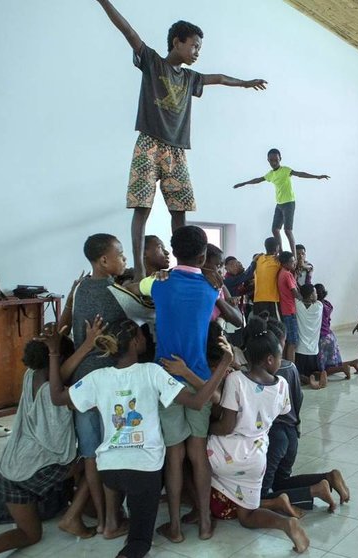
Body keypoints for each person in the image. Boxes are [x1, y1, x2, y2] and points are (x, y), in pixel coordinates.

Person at [93, 0, 267, 280]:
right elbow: (128, 31)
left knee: (179, 210)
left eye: (199, 47)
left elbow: (220, 77)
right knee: (142, 207)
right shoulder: (152, 62)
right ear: (177, 42)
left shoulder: (189, 78)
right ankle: (138, 270)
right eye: (194, 45)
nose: (197, 52)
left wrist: (244, 83)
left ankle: (183, 267)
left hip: (176, 149)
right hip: (150, 142)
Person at [47, 319, 232, 558]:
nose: (147, 338)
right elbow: (198, 403)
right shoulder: (151, 372)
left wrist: (54, 352)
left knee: (128, 491)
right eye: (142, 336)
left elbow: (57, 397)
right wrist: (224, 364)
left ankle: (113, 522)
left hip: (109, 472)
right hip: (144, 472)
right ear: (135, 342)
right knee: (139, 542)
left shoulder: (97, 377)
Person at [0, 334, 88, 558]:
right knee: (91, 464)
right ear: (57, 362)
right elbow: (60, 374)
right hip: (34, 469)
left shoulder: (30, 375)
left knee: (23, 504)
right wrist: (87, 345)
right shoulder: (57, 395)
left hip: (9, 467)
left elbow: (59, 370)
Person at [137, 225, 220, 542]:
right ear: (203, 255)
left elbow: (136, 285)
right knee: (198, 456)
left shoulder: (159, 284)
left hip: (165, 381)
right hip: (199, 379)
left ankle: (173, 527)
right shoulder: (211, 287)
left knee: (174, 457)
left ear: (173, 253)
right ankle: (205, 524)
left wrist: (159, 272)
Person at [205, 316, 310, 553]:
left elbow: (227, 426)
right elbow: (283, 410)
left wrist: (208, 430)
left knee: (194, 459)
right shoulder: (281, 383)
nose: (281, 359)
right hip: (257, 456)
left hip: (227, 454)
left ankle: (200, 516)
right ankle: (285, 523)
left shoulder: (235, 380)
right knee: (247, 515)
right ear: (270, 359)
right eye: (280, 355)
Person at [69, 233, 149, 537]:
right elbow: (145, 313)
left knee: (90, 453)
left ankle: (102, 520)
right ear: (104, 260)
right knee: (110, 451)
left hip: (81, 383)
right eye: (121, 254)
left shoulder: (82, 288)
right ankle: (113, 520)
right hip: (104, 384)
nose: (125, 259)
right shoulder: (112, 291)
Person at [262, 317, 351, 511]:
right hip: (292, 433)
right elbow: (299, 398)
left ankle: (315, 490)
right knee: (281, 481)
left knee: (262, 495)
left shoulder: (258, 373)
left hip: (273, 437)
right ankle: (327, 478)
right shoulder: (291, 367)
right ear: (282, 342)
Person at [233, 149, 329, 252]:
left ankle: (294, 256)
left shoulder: (285, 170)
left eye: (276, 160)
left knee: (287, 230)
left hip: (289, 203)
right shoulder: (270, 174)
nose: (274, 163)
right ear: (268, 160)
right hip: (279, 204)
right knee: (275, 230)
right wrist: (244, 183)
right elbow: (258, 180)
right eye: (271, 160)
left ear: (280, 159)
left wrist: (317, 177)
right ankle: (281, 253)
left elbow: (300, 174)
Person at [315, 284, 358, 378]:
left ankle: (343, 368)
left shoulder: (317, 307)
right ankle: (353, 363)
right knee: (332, 363)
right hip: (330, 335)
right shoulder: (327, 304)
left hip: (322, 338)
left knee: (323, 370)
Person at [295, 284, 326, 389]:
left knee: (299, 373)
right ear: (311, 296)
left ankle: (307, 380)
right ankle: (316, 376)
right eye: (315, 292)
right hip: (313, 351)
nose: (317, 294)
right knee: (313, 370)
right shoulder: (319, 306)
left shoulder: (297, 305)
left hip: (300, 350)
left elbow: (298, 293)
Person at [277, 251, 301, 362]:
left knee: (288, 340)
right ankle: (292, 367)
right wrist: (305, 300)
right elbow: (295, 292)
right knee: (293, 341)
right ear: (285, 263)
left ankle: (287, 363)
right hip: (289, 310)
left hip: (284, 309)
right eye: (292, 261)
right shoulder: (287, 274)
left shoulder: (281, 273)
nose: (294, 263)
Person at [253, 237, 282, 319]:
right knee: (274, 326)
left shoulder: (259, 259)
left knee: (260, 326)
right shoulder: (277, 261)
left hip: (257, 299)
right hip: (271, 299)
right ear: (277, 247)